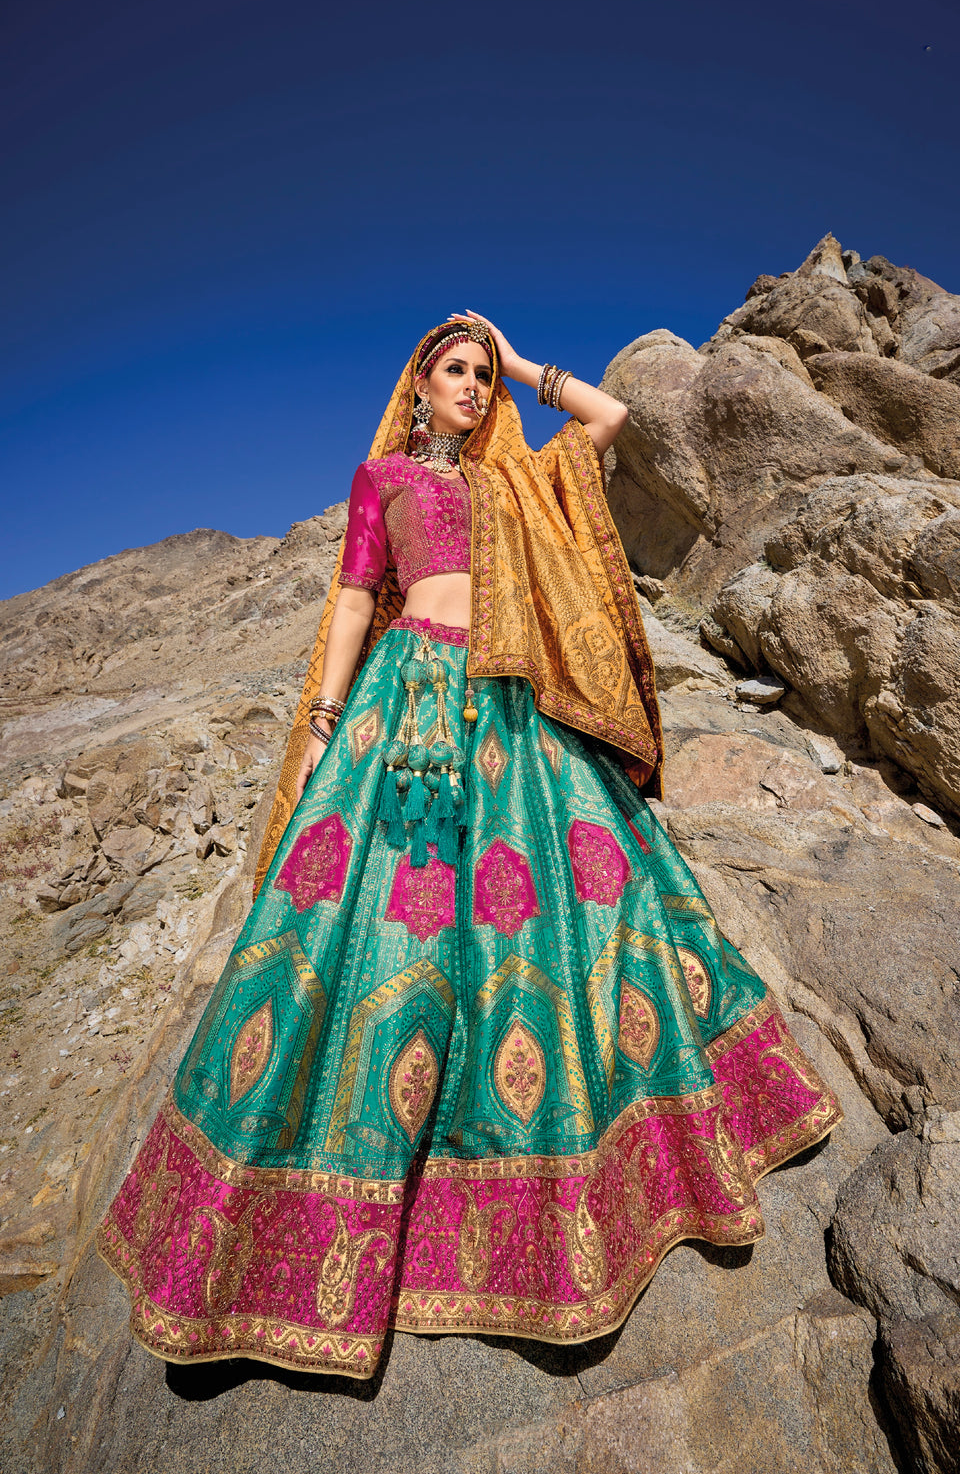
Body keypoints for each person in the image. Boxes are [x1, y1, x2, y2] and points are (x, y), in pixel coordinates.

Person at [97, 314, 842, 1378]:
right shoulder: (382, 481)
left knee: (576, 905)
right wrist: (319, 723)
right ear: (415, 385)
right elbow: (355, 599)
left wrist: (523, 360)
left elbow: (613, 417)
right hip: (401, 711)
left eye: (480, 375)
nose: (471, 386)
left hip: (505, 703)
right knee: (373, 935)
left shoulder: (513, 484)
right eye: (456, 369)